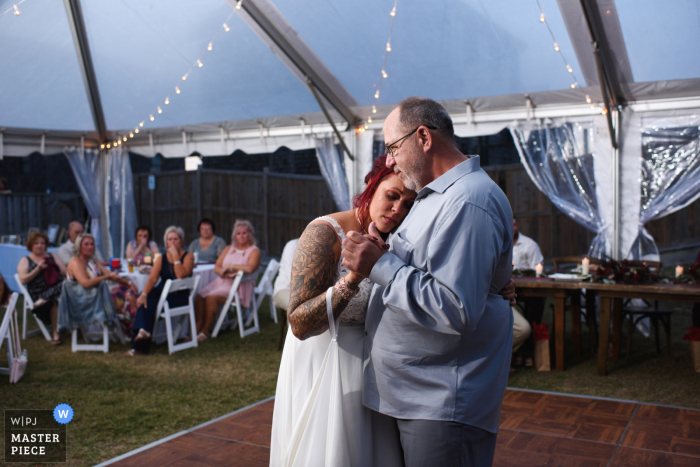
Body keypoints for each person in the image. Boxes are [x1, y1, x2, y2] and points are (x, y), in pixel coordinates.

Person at [270, 153, 517, 466]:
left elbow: (443, 278)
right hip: (326, 364)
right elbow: (300, 323)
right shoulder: (325, 232)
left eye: (409, 203)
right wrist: (354, 279)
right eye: (391, 195)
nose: (397, 209)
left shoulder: (399, 240)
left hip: (380, 372)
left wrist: (495, 284)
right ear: (372, 186)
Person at [342, 97, 514, 466]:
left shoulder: (468, 201)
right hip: (414, 394)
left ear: (423, 137)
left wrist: (381, 265)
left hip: (440, 403)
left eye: (392, 147)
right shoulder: (433, 196)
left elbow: (456, 309)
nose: (389, 160)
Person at [125, 226, 194, 356]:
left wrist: (175, 257)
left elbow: (180, 275)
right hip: (162, 294)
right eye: (170, 239)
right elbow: (152, 278)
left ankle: (138, 346)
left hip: (178, 296)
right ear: (166, 242)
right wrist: (143, 294)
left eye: (176, 239)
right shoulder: (161, 258)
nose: (172, 242)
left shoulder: (188, 256)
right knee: (144, 298)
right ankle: (143, 333)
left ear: (181, 241)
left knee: (149, 303)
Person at [192, 220, 261, 341]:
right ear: (234, 235)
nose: (241, 236)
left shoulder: (254, 251)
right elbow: (217, 267)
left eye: (244, 233)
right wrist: (224, 272)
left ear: (250, 234)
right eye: (238, 233)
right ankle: (195, 330)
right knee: (199, 295)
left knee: (210, 298)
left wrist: (230, 266)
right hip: (221, 281)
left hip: (238, 287)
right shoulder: (229, 248)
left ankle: (205, 331)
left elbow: (250, 268)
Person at [65, 233, 139, 336]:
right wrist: (105, 277)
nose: (90, 247)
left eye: (92, 244)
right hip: (86, 301)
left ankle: (133, 328)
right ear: (79, 245)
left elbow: (111, 275)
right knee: (126, 296)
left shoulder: (91, 261)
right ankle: (133, 329)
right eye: (86, 244)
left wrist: (128, 282)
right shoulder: (76, 262)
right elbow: (85, 283)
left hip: (98, 296)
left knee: (128, 290)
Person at [17, 232, 66, 345]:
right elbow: (23, 280)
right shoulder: (25, 260)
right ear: (31, 245)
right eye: (36, 243)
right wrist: (37, 269)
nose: (39, 246)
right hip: (38, 293)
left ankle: (46, 297)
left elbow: (63, 272)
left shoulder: (52, 256)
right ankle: (55, 334)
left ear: (46, 245)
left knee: (67, 283)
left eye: (42, 243)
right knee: (55, 300)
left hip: (55, 290)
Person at [512, 217, 545, 368]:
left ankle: (529, 347)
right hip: (506, 289)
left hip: (527, 289)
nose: (510, 228)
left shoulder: (529, 245)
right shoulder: (498, 243)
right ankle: (516, 352)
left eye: (513, 224)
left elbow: (538, 268)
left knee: (537, 301)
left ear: (517, 225)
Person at [272, 238, 298, 313]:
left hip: (306, 290)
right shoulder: (292, 245)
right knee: (296, 306)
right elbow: (291, 277)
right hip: (285, 288)